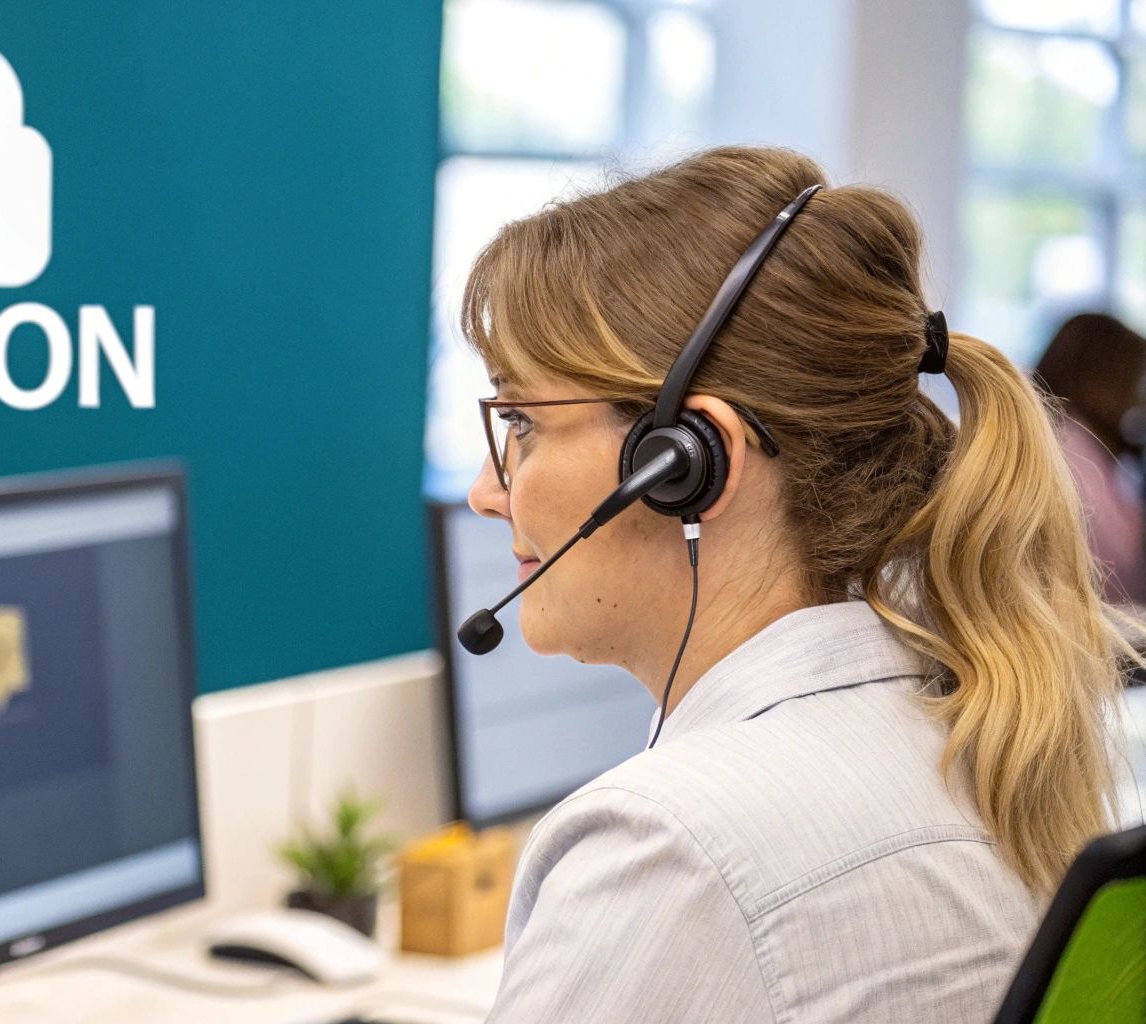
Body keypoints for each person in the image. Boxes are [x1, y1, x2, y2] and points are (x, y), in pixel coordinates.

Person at [461, 146, 1134, 1021]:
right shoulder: (976, 742)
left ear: (685, 463)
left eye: (521, 422)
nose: (486, 491)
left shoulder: (671, 850)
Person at [1034, 312, 1146, 607]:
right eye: (1136, 383)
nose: (1138, 401)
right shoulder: (1069, 451)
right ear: (1105, 382)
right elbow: (1115, 572)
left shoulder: (1078, 443)